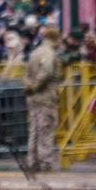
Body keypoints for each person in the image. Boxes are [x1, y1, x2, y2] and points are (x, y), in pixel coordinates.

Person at [24, 25, 62, 172]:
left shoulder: (35, 52)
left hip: (33, 100)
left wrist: (29, 87)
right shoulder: (49, 53)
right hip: (46, 97)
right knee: (46, 131)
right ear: (56, 39)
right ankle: (45, 163)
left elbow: (26, 73)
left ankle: (33, 162)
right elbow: (46, 72)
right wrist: (36, 85)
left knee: (34, 131)